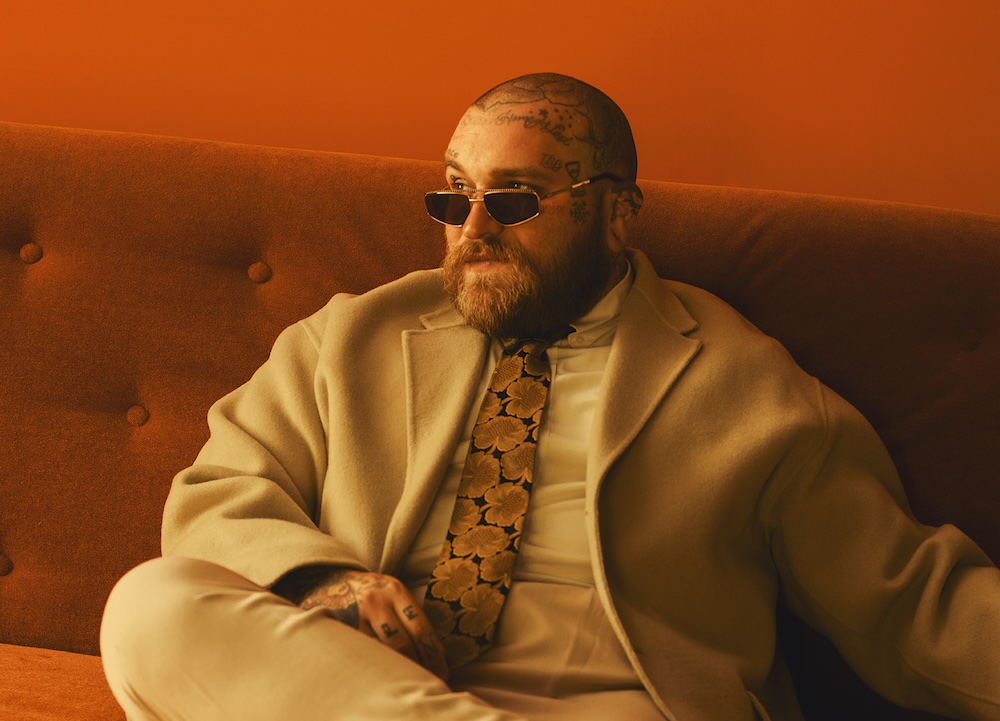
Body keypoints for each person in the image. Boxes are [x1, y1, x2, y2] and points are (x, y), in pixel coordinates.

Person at [100, 73, 1000, 721]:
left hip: (618, 705)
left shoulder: (747, 384)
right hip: (367, 691)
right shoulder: (351, 337)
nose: (475, 228)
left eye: (517, 200)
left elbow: (910, 603)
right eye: (456, 196)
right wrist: (330, 578)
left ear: (616, 214)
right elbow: (217, 496)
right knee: (150, 606)